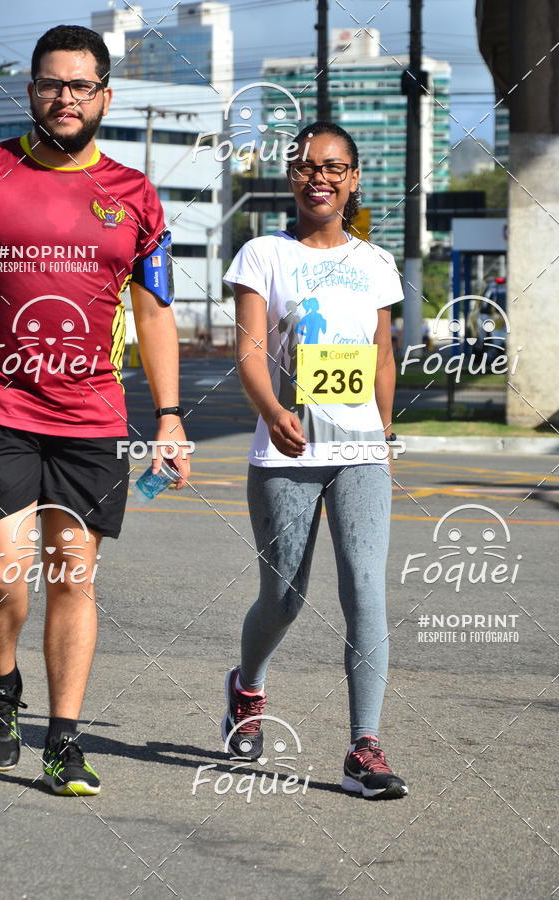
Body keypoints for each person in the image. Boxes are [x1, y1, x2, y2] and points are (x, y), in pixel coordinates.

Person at [0, 25, 190, 795]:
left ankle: (62, 740)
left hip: (92, 416)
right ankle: (1, 683)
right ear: (31, 91)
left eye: (80, 85)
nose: (66, 98)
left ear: (104, 97)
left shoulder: (134, 194)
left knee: (72, 576)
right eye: (52, 84)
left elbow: (154, 311)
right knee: (4, 573)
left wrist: (169, 415)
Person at [221, 122, 407, 800]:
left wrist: (382, 434)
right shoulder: (263, 254)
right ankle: (247, 688)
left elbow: (382, 357)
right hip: (285, 452)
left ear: (353, 179)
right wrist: (273, 411)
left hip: (359, 452)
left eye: (334, 167)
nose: (319, 178)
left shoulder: (375, 262)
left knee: (365, 591)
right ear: (290, 176)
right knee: (284, 598)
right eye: (305, 166)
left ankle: (364, 747)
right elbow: (249, 349)